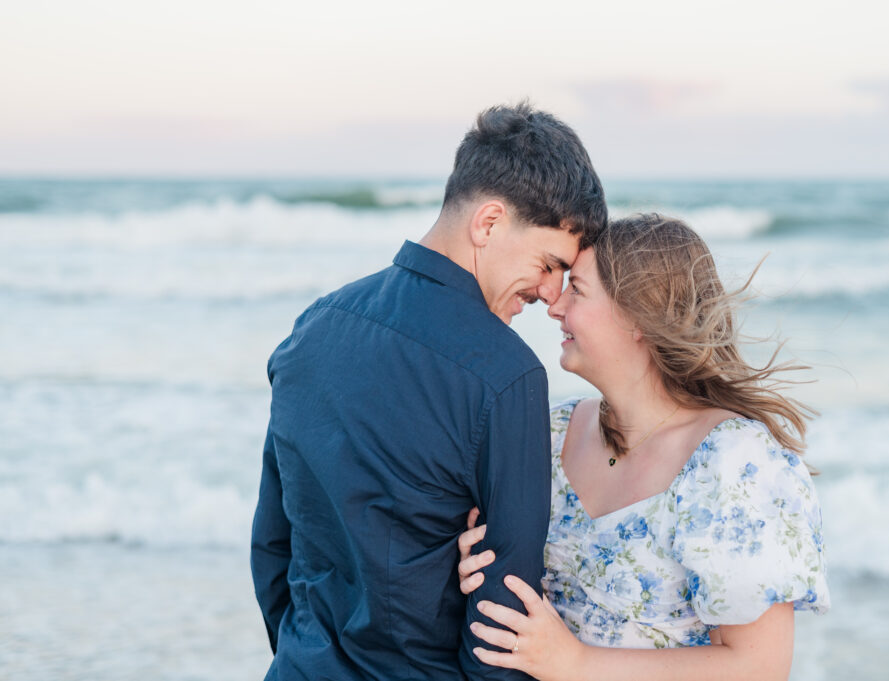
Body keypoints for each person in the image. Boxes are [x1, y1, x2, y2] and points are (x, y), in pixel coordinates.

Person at [250, 102, 607, 681]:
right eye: (548, 263)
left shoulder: (313, 326)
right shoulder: (507, 374)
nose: (549, 293)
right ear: (488, 223)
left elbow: (274, 541)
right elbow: (503, 623)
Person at [458, 213, 829, 681]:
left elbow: (759, 667)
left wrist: (577, 664)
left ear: (637, 315)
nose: (554, 306)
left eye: (578, 289)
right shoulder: (550, 433)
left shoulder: (733, 462)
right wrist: (479, 567)